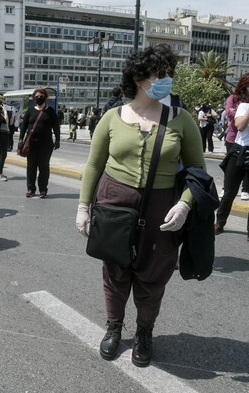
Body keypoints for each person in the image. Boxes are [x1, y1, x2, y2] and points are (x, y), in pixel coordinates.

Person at [75, 45, 205, 367]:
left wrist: (186, 205)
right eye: (158, 74)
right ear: (138, 78)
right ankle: (114, 327)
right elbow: (93, 166)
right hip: (114, 204)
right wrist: (82, 206)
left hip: (161, 209)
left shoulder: (182, 120)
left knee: (154, 276)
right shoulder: (112, 118)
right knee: (115, 271)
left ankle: (144, 332)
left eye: (168, 74)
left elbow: (198, 172)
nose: (166, 80)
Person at [215, 97, 249, 240]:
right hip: (238, 152)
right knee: (229, 191)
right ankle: (220, 223)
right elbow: (240, 126)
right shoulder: (243, 106)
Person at [19, 88, 60, 198]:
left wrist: (58, 139)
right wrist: (20, 139)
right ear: (34, 98)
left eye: (41, 96)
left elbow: (56, 126)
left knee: (44, 167)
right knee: (31, 167)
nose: (39, 98)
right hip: (31, 144)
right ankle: (31, 189)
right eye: (37, 96)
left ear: (45, 97)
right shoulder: (30, 110)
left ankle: (43, 189)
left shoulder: (50, 111)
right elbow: (24, 126)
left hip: (46, 144)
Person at [222, 73, 249, 201]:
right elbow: (229, 112)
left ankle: (245, 189)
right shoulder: (234, 98)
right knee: (231, 168)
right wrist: (239, 112)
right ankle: (225, 187)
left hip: (245, 140)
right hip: (233, 137)